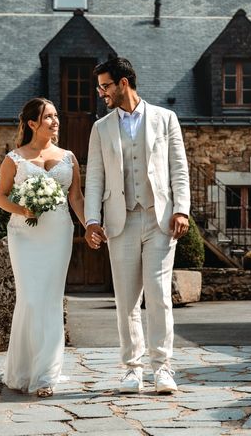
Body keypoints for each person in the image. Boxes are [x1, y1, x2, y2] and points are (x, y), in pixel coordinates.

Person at [84, 57, 190, 394]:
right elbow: (95, 178)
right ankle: (132, 369)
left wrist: (182, 210)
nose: (101, 92)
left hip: (159, 219)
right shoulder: (101, 128)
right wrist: (91, 220)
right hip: (120, 221)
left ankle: (162, 368)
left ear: (123, 84)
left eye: (105, 85)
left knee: (158, 297)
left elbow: (179, 168)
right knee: (126, 300)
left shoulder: (165, 119)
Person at [0, 97, 85, 397]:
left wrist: (92, 226)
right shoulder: (14, 159)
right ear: (32, 123)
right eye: (48, 117)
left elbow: (76, 199)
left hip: (58, 233)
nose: (55, 121)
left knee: (50, 299)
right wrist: (24, 210)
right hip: (24, 235)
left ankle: (46, 375)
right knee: (30, 299)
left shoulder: (69, 158)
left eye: (56, 115)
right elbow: (1, 197)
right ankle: (23, 369)